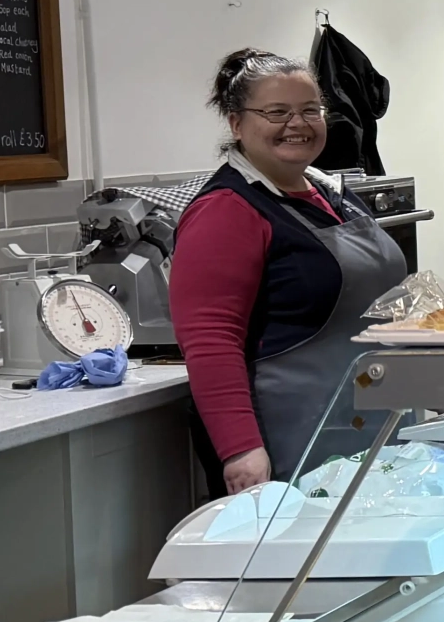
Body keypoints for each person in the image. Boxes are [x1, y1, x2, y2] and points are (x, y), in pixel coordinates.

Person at [169, 48, 409, 493]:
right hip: (288, 439)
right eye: (276, 112)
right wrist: (241, 450)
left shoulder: (332, 194)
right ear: (236, 123)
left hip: (369, 424)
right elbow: (210, 340)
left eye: (310, 110)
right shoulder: (226, 209)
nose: (297, 124)